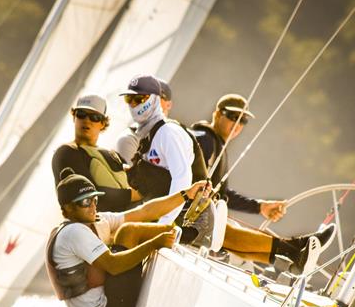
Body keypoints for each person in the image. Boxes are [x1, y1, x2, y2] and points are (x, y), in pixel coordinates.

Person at [44, 168, 209, 307]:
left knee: (127, 230)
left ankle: (189, 233)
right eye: (85, 202)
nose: (93, 206)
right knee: (127, 232)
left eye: (94, 199)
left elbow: (143, 212)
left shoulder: (97, 221)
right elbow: (114, 266)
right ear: (67, 208)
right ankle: (192, 234)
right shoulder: (73, 232)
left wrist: (186, 194)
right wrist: (154, 244)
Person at [122, 74, 207, 224]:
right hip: (152, 215)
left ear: (155, 99)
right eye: (129, 100)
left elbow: (182, 180)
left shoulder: (168, 133)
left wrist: (163, 224)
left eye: (140, 99)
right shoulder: (148, 135)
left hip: (180, 220)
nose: (134, 105)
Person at [190, 93, 287, 222]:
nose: (238, 124)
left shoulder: (217, 146)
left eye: (243, 120)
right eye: (233, 117)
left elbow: (221, 194)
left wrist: (260, 207)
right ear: (218, 114)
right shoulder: (204, 139)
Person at [51, 94, 142, 212]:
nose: (87, 121)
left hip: (125, 221)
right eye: (81, 114)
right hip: (95, 227)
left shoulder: (111, 154)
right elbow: (89, 195)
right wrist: (134, 195)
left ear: (103, 123)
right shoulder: (66, 152)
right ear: (74, 117)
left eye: (94, 117)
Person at [115, 77, 173, 165]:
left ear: (169, 104)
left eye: (140, 98)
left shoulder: (176, 132)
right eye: (129, 98)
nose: (134, 103)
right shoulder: (130, 138)